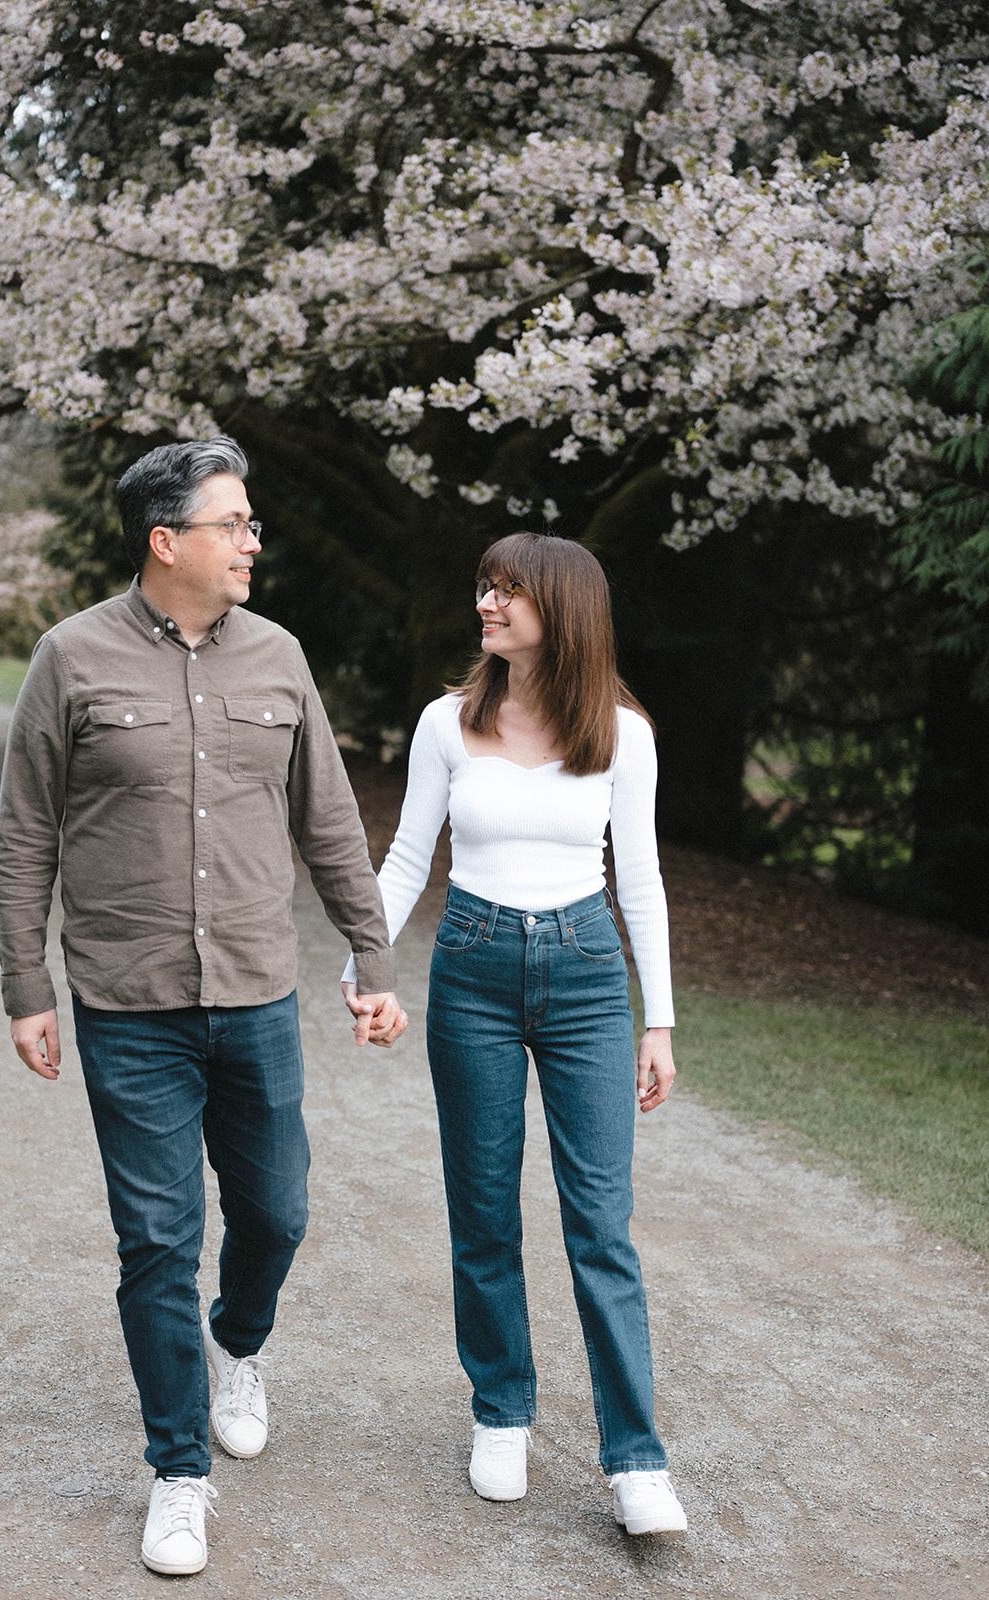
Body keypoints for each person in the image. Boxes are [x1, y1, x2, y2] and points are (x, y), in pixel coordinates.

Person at [0, 437, 407, 1577]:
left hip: (258, 995)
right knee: (156, 1242)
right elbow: (26, 831)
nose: (253, 541)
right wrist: (25, 984)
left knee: (276, 1212)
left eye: (254, 522)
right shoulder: (69, 659)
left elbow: (327, 817)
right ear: (166, 539)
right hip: (126, 1006)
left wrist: (371, 956)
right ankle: (179, 1472)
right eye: (234, 523)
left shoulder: (280, 658)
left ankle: (240, 1342)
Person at [343, 531, 687, 1536]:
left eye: (507, 592)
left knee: (600, 1226)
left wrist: (656, 1019)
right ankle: (502, 1410)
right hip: (474, 969)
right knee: (484, 1207)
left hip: (585, 975)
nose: (486, 604)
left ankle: (636, 1460)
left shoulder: (623, 733)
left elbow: (644, 884)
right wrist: (366, 970)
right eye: (484, 587)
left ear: (563, 611)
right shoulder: (447, 723)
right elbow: (406, 857)